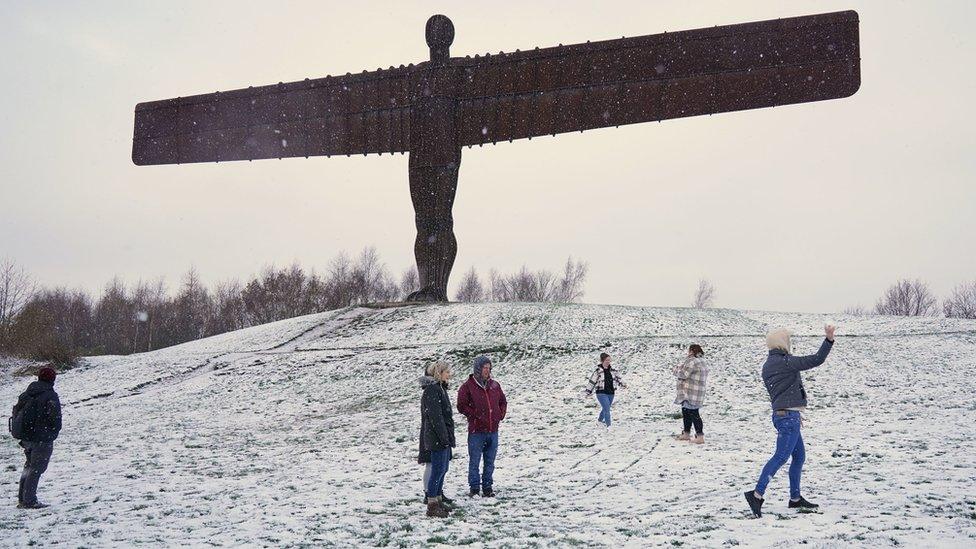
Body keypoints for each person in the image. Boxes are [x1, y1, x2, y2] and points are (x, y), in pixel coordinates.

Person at [744, 325, 836, 518]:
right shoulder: (785, 362)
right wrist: (828, 340)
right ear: (782, 343)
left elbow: (783, 390)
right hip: (788, 418)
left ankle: (795, 499)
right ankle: (756, 494)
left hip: (784, 415)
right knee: (780, 457)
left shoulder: (769, 364)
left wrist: (793, 411)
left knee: (799, 457)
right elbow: (816, 359)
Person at [456, 356, 507, 498]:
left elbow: (503, 401)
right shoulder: (467, 387)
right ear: (478, 369)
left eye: (489, 368)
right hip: (476, 432)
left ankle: (487, 486)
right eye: (485, 367)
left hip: (493, 431)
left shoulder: (495, 385)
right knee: (475, 461)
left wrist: (500, 415)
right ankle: (474, 487)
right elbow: (461, 405)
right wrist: (475, 415)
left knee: (490, 461)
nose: (487, 370)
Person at [12, 367, 62, 509]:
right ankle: (29, 501)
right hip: (42, 438)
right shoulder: (50, 395)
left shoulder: (27, 393)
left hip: (27, 438)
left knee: (29, 467)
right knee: (36, 469)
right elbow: (55, 418)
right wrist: (53, 431)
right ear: (52, 379)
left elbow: (16, 412)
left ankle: (23, 498)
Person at [419, 361, 456, 518]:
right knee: (437, 470)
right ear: (439, 373)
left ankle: (438, 500)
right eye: (447, 372)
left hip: (442, 437)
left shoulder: (440, 388)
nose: (449, 375)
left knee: (443, 469)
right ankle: (432, 504)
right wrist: (444, 437)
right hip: (437, 438)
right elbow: (436, 418)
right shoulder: (432, 391)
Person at [673, 344, 709, 444]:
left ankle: (699, 436)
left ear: (692, 351)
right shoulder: (702, 361)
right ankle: (686, 433)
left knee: (693, 413)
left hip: (689, 392)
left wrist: (676, 370)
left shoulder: (692, 361)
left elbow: (683, 374)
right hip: (698, 391)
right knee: (687, 412)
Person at [584, 353, 627, 428]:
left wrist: (623, 385)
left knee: (605, 408)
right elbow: (592, 381)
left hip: (611, 392)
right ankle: (609, 426)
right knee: (607, 409)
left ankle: (599, 421)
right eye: (606, 360)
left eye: (609, 360)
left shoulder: (613, 371)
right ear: (602, 361)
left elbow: (618, 379)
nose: (608, 362)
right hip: (601, 392)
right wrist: (588, 391)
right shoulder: (598, 371)